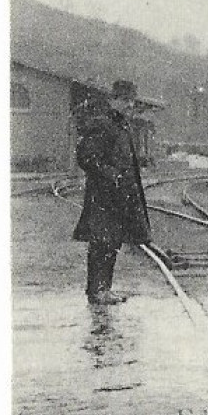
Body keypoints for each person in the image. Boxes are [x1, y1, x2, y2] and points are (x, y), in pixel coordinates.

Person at [73, 80, 153, 305]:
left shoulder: (120, 126)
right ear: (113, 100)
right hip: (104, 196)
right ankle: (97, 290)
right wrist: (112, 176)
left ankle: (103, 289)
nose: (129, 105)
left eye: (131, 100)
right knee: (101, 243)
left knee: (111, 243)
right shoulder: (103, 124)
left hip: (118, 196)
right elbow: (86, 158)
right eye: (124, 100)